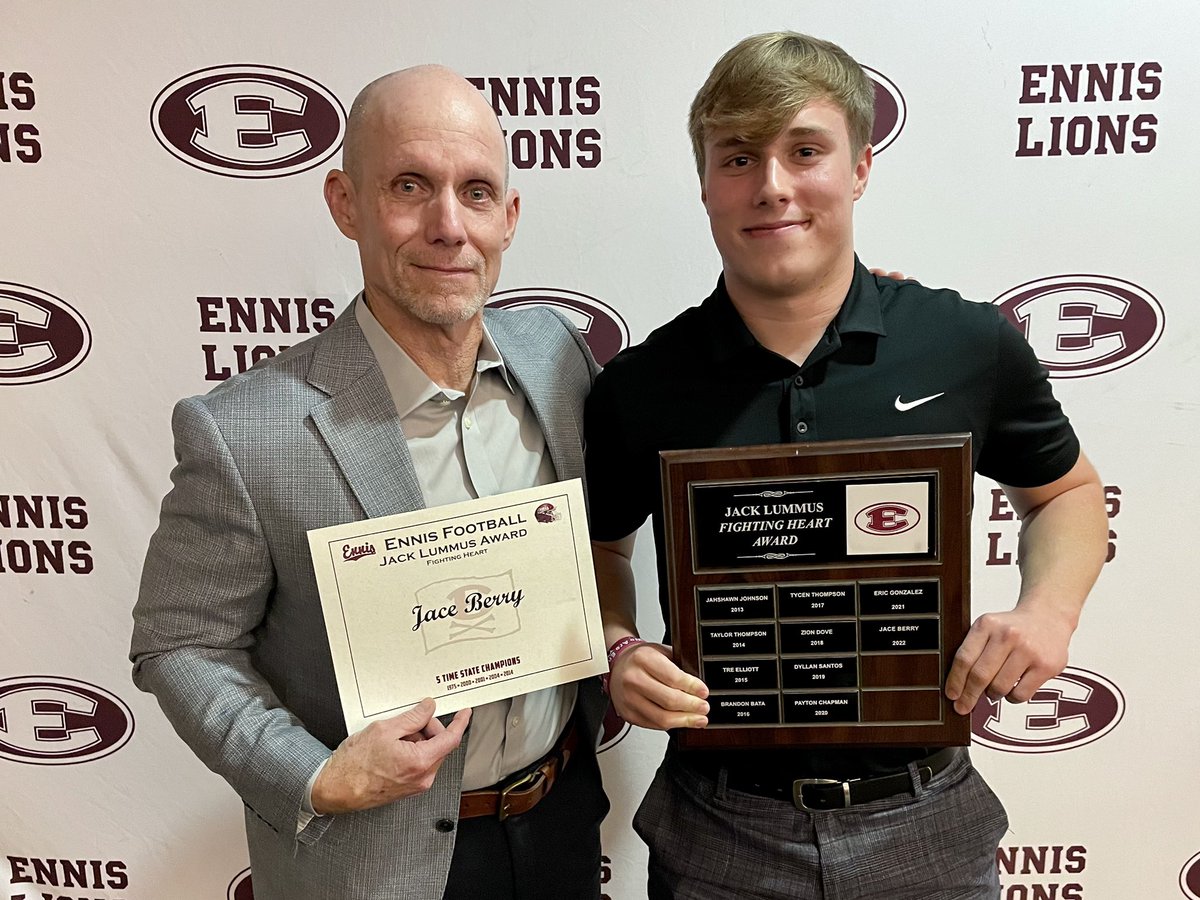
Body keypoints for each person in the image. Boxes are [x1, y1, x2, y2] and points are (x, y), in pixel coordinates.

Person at [584, 32, 1107, 900]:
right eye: (740, 157)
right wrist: (618, 642)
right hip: (718, 828)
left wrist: (1050, 611)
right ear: (706, 180)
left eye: (805, 151)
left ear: (860, 166)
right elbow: (602, 548)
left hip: (925, 821)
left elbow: (1067, 492)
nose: (773, 187)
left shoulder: (965, 343)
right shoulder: (642, 383)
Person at [131, 66, 607, 900]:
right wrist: (314, 777)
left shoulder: (556, 356)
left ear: (511, 217)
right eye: (410, 186)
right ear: (346, 203)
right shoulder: (244, 432)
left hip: (560, 822)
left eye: (477, 192)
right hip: (375, 866)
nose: (448, 226)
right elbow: (180, 642)